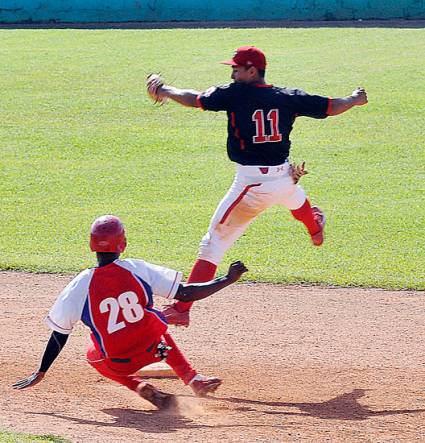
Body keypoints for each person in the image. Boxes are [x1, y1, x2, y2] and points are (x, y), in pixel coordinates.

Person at [146, 45, 368, 327]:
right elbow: (331, 106)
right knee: (295, 198)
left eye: (236, 69)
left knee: (212, 243)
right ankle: (314, 227)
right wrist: (354, 98)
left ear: (252, 71)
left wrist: (164, 90)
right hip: (285, 177)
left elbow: (194, 99)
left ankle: (182, 308)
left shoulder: (235, 94)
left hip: (252, 185)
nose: (232, 73)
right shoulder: (287, 97)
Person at [12, 215, 248, 410]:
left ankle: (137, 385)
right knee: (152, 325)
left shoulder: (80, 284)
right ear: (122, 244)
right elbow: (186, 293)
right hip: (155, 351)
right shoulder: (138, 269)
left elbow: (59, 334)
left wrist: (41, 371)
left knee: (93, 352)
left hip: (118, 363)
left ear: (91, 244)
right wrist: (227, 279)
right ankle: (193, 379)